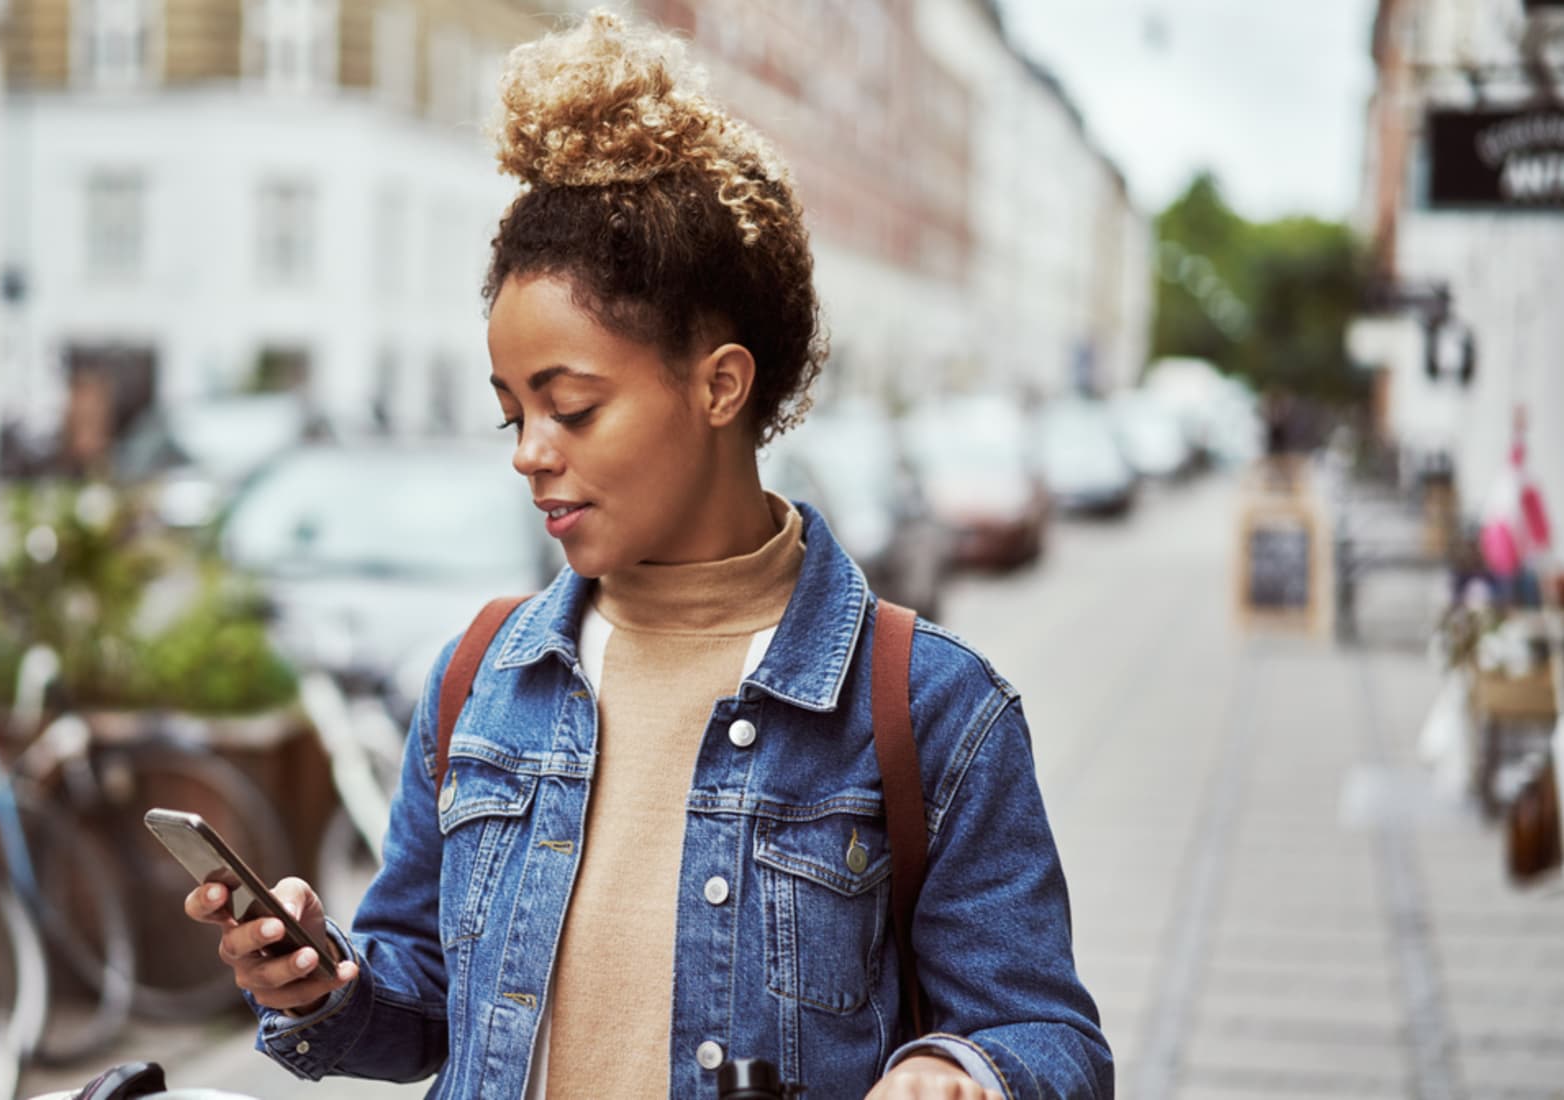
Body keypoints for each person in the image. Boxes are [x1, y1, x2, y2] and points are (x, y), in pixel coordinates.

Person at [186, 10, 1111, 1098]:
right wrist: (322, 982)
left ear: (720, 385)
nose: (531, 454)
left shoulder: (932, 711)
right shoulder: (481, 677)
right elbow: (426, 997)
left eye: (570, 407)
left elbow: (1050, 1035)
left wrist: (966, 1073)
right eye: (510, 415)